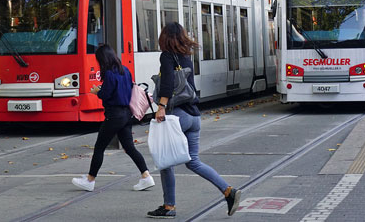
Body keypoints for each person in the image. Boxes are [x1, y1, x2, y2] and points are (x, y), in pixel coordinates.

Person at [147, 22, 241, 219]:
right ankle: (227, 191)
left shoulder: (166, 56)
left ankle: (169, 206)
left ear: (165, 37)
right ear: (181, 36)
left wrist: (161, 107)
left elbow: (168, 83)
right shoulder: (186, 56)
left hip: (178, 115)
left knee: (165, 161)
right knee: (194, 161)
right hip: (194, 116)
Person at [71, 44, 154, 192]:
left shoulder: (109, 73)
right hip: (127, 114)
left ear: (102, 59)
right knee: (129, 147)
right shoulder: (125, 70)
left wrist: (97, 91)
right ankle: (146, 176)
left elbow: (107, 94)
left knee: (99, 147)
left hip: (114, 115)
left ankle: (90, 180)